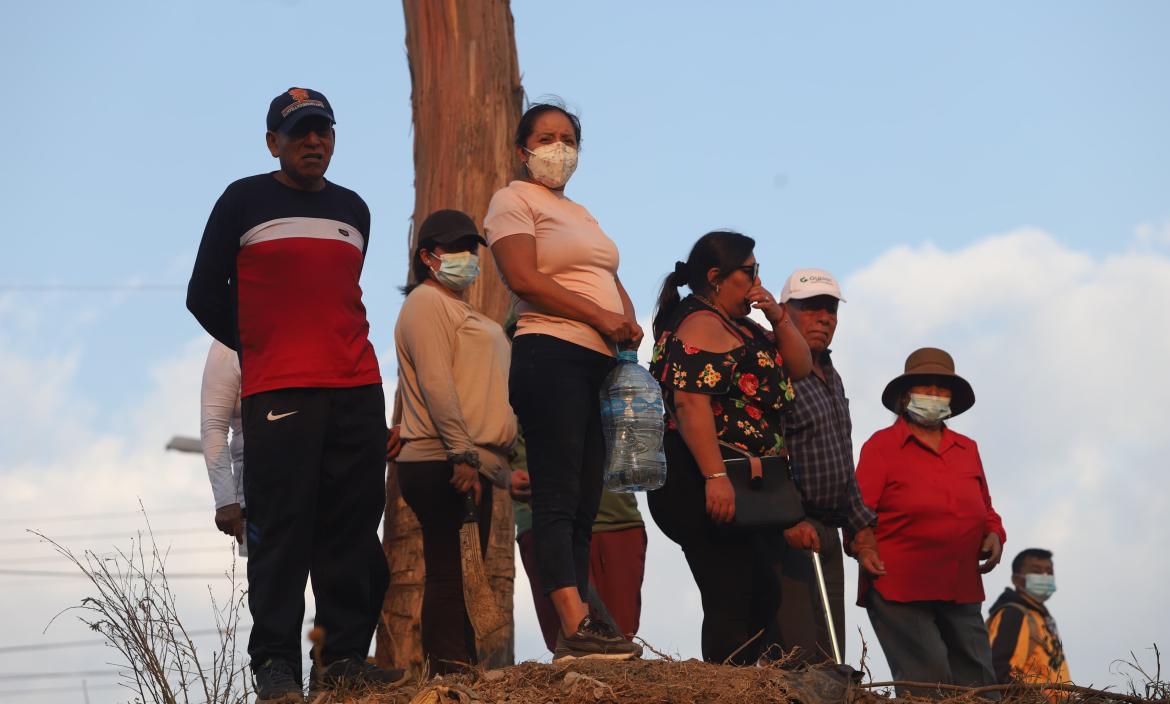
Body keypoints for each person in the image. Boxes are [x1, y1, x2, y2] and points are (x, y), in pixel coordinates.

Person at [186, 87, 402, 701]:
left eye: (323, 131)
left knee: (353, 530)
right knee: (281, 532)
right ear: (272, 142)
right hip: (279, 390)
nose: (313, 142)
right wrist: (260, 346)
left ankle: (340, 662)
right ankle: (275, 665)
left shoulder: (354, 209)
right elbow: (203, 293)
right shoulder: (242, 200)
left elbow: (337, 298)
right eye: (299, 132)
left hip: (357, 388)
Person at [484, 101, 643, 661]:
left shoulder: (580, 211)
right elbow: (523, 277)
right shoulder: (512, 200)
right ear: (523, 148)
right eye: (547, 137)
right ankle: (575, 620)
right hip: (550, 351)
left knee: (583, 499)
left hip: (598, 362)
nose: (559, 148)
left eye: (568, 138)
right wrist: (599, 316)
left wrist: (624, 315)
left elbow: (606, 272)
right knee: (556, 494)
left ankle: (581, 629)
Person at [646, 230, 813, 665]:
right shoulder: (699, 323)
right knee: (732, 595)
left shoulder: (741, 325)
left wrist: (779, 318)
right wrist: (715, 476)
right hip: (702, 479)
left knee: (760, 591)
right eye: (750, 271)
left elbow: (800, 366)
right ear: (717, 277)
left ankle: (748, 684)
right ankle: (725, 687)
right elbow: (688, 402)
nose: (758, 280)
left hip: (744, 484)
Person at [393, 209, 518, 674]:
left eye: (472, 248)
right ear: (428, 256)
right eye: (456, 248)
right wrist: (462, 455)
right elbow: (437, 385)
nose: (468, 257)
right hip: (441, 459)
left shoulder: (458, 309)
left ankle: (463, 666)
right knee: (449, 573)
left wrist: (500, 470)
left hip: (468, 460)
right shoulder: (426, 304)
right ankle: (449, 672)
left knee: (467, 574)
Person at [855, 347, 1006, 698]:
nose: (934, 397)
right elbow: (858, 511)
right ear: (906, 396)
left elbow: (986, 510)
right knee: (928, 682)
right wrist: (863, 546)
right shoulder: (882, 447)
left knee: (982, 684)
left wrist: (995, 534)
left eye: (942, 390)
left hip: (961, 586)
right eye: (926, 389)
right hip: (900, 588)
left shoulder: (966, 448)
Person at [775, 268, 882, 664]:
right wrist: (786, 519)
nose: (824, 318)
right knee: (797, 652)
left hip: (828, 530)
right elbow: (766, 453)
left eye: (831, 310)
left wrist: (861, 532)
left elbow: (841, 457)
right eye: (812, 308)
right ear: (784, 311)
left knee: (831, 651)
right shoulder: (773, 367)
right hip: (789, 528)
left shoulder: (830, 375)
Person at [987, 549, 1070, 696]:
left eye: (1049, 572)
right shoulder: (1014, 615)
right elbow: (1000, 673)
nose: (1045, 577)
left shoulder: (1042, 617)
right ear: (1017, 580)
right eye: (1036, 571)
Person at [200, 340, 246, 549]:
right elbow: (214, 425)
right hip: (257, 495)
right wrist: (226, 500)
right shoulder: (227, 345)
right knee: (272, 577)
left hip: (322, 480)